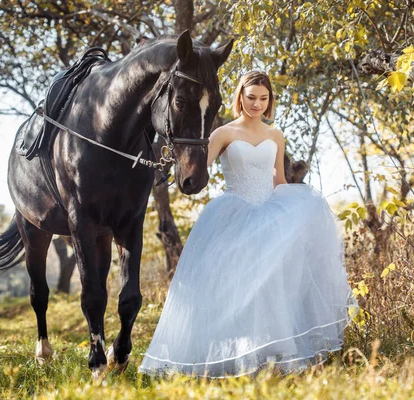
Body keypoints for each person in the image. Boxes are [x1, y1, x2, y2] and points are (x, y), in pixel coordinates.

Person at [139, 71, 358, 378]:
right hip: (233, 212)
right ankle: (227, 355)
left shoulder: (275, 135)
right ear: (240, 96)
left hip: (270, 211)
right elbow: (198, 172)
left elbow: (279, 181)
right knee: (234, 288)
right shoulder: (223, 134)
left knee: (270, 286)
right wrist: (171, 164)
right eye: (251, 97)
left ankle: (276, 356)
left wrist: (297, 210)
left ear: (269, 102)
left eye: (263, 98)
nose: (257, 104)